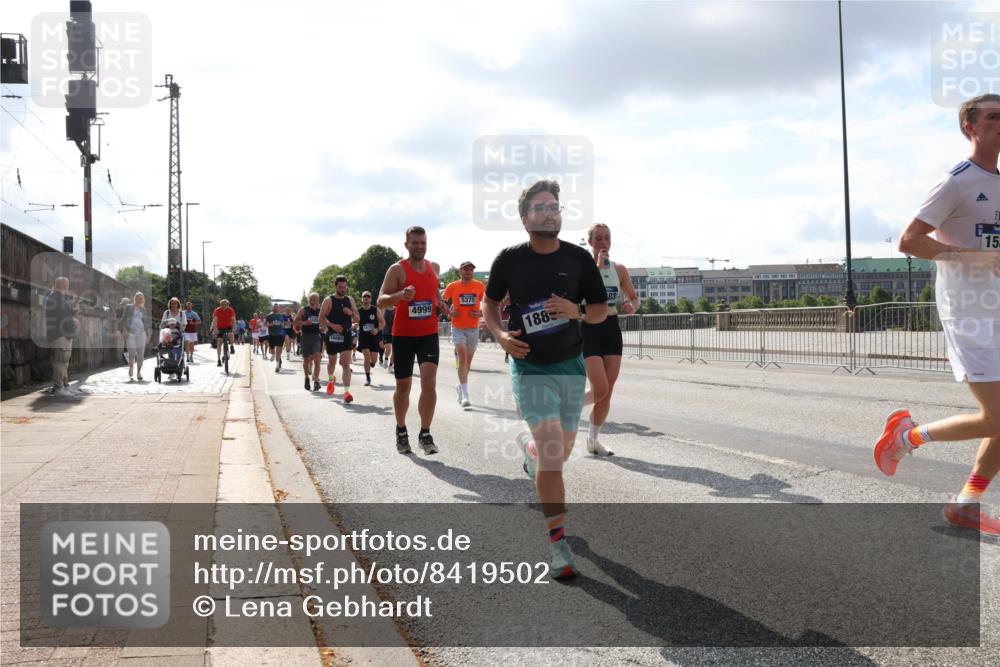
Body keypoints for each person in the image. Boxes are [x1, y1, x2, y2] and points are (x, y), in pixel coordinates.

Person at [874, 93, 1000, 536]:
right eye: (992, 116)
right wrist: (970, 257)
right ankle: (906, 438)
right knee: (996, 418)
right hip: (969, 314)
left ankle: (966, 503)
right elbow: (909, 241)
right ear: (970, 127)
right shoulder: (957, 182)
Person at [483, 180, 607, 578]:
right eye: (540, 207)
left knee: (558, 454)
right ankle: (559, 546)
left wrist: (578, 310)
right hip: (529, 364)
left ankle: (530, 453)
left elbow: (601, 310)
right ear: (525, 218)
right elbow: (488, 303)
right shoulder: (509, 260)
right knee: (555, 455)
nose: (549, 211)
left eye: (554, 205)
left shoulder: (578, 259)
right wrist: (501, 334)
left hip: (570, 365)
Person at [377, 226, 443, 454]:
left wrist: (444, 305)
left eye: (422, 242)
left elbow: (434, 294)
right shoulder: (397, 270)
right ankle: (401, 429)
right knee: (403, 387)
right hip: (403, 335)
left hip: (429, 333)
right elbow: (381, 301)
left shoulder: (434, 268)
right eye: (414, 243)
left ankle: (425, 433)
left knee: (429, 382)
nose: (419, 246)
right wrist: (400, 296)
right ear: (406, 244)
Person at [580, 223, 640, 456]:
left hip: (611, 327)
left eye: (607, 238)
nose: (604, 243)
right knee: (600, 387)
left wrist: (632, 306)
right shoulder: (583, 269)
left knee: (608, 389)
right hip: (589, 327)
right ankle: (571, 408)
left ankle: (594, 439)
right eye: (598, 239)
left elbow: (635, 298)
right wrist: (596, 268)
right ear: (590, 242)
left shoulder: (620, 270)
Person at [442, 261, 486, 407]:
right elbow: (441, 302)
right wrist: (449, 312)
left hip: (473, 328)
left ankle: (460, 387)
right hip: (458, 327)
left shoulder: (479, 285)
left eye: (471, 270)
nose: (468, 272)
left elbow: (487, 304)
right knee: (462, 358)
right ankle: (466, 397)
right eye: (465, 270)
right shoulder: (452, 286)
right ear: (460, 272)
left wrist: (480, 313)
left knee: (467, 363)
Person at [319, 275, 359, 402]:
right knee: (332, 362)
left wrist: (351, 313)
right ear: (335, 286)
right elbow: (321, 318)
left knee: (346, 364)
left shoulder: (350, 300)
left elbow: (358, 318)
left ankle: (346, 393)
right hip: (332, 335)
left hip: (346, 334)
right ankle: (331, 380)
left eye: (344, 287)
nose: (343, 289)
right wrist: (332, 325)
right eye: (340, 287)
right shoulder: (328, 300)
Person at [44, 276, 79, 396]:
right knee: (60, 362)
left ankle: (65, 386)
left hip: (62, 335)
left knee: (64, 362)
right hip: (60, 336)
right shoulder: (56, 299)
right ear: (65, 286)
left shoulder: (56, 298)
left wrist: (72, 318)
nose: (68, 288)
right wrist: (73, 323)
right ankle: (59, 388)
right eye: (67, 285)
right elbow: (62, 319)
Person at [294, 293, 324, 391]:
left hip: (316, 336)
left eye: (315, 299)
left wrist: (323, 327)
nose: (313, 301)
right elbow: (295, 321)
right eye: (311, 299)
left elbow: (324, 322)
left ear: (318, 301)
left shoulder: (320, 311)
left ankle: (316, 380)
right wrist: (305, 323)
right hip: (305, 337)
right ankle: (306, 378)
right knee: (306, 360)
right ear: (308, 300)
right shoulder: (304, 310)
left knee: (317, 359)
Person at [356, 291, 384, 386]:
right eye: (364, 296)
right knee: (367, 356)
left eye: (368, 296)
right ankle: (368, 378)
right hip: (363, 338)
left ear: (371, 298)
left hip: (374, 338)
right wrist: (354, 325)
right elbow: (353, 322)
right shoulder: (359, 311)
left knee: (374, 360)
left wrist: (377, 329)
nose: (366, 298)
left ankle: (372, 363)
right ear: (362, 298)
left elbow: (383, 323)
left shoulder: (375, 310)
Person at [121, 292, 149, 382]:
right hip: (131, 333)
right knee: (132, 352)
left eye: (142, 298)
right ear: (135, 299)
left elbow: (145, 323)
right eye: (138, 298)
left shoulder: (143, 309)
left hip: (141, 333)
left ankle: (139, 372)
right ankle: (131, 366)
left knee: (140, 354)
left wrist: (147, 335)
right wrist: (124, 330)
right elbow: (123, 319)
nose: (140, 300)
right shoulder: (129, 307)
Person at [160, 297, 188, 366]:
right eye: (172, 303)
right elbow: (162, 323)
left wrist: (179, 328)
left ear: (178, 304)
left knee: (177, 345)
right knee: (168, 343)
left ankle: (177, 361)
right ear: (170, 304)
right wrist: (169, 325)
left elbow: (184, 324)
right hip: (167, 332)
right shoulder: (166, 313)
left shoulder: (182, 313)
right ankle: (171, 363)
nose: (173, 305)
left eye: (175, 303)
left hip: (178, 333)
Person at [211, 299, 237, 367]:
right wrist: (215, 329)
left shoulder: (231, 310)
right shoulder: (217, 310)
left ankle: (231, 346)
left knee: (231, 334)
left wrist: (234, 328)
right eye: (222, 305)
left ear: (228, 305)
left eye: (225, 305)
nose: (224, 306)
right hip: (220, 327)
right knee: (219, 343)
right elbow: (214, 320)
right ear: (220, 305)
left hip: (228, 326)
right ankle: (219, 360)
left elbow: (234, 320)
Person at [265, 302, 286, 373]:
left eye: (277, 307)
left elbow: (283, 324)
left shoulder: (281, 316)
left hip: (280, 334)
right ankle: (273, 355)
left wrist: (282, 325)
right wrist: (272, 324)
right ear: (272, 308)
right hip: (271, 334)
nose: (275, 308)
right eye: (274, 307)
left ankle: (277, 365)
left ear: (278, 308)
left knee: (279, 350)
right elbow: (266, 324)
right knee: (272, 349)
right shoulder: (269, 315)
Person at [379, 305, 395, 371]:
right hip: (385, 332)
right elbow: (379, 319)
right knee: (388, 348)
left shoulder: (396, 309)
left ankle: (391, 365)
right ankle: (385, 359)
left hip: (395, 332)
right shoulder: (383, 309)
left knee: (395, 351)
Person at [116, 296, 131, 364]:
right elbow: (119, 321)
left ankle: (127, 358)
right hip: (122, 330)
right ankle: (125, 358)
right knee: (124, 344)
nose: (123, 306)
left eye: (124, 304)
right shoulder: (119, 311)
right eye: (122, 304)